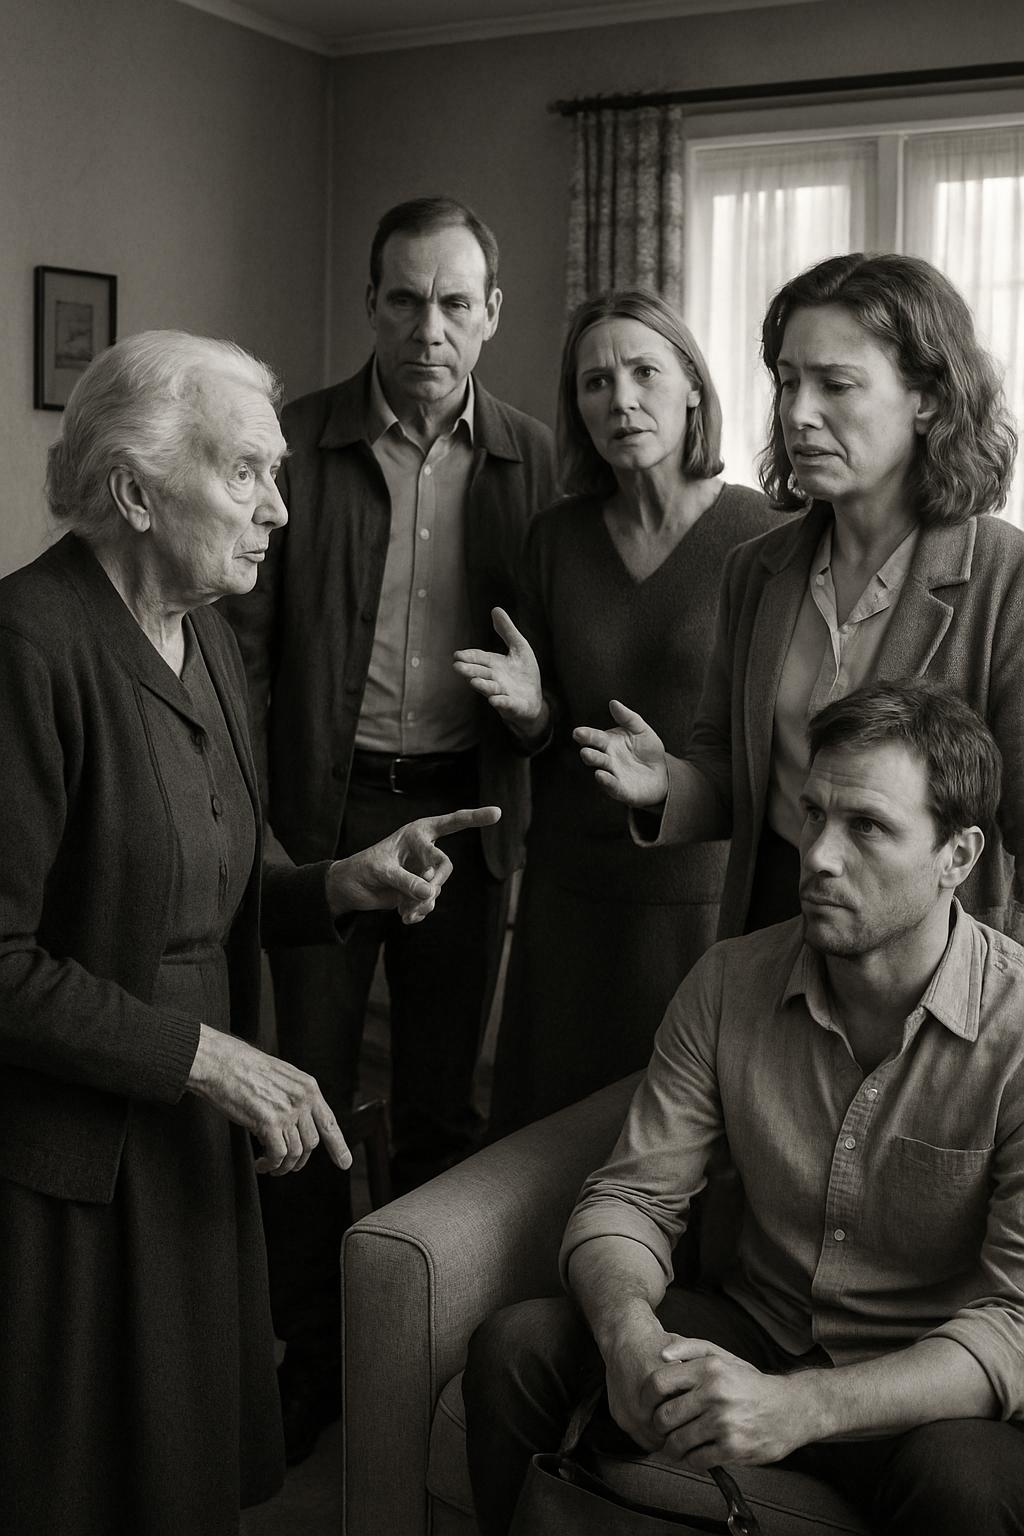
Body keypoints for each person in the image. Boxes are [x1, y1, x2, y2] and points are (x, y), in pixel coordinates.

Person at [0, 329, 500, 1536]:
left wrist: (339, 885)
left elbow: (218, 870)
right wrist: (204, 1058)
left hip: (196, 1138)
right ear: (135, 491)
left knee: (182, 1480)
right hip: (75, 1167)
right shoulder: (28, 646)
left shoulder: (207, 631)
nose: (278, 508)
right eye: (245, 474)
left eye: (276, 473)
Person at [464, 680, 1024, 1536]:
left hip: (923, 1387)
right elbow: (631, 1197)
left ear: (958, 855)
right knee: (519, 1350)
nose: (819, 856)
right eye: (814, 815)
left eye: (867, 826)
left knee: (974, 1490)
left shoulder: (1016, 1033)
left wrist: (803, 1407)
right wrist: (627, 1337)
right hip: (758, 1330)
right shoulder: (729, 981)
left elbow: (1016, 1323)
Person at [221, 195, 555, 1460]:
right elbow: (240, 657)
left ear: (491, 314)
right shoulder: (296, 444)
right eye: (405, 300)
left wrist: (535, 715)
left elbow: (561, 678)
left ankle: (413, 1368)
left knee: (440, 1112)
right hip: (323, 817)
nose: (429, 328)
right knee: (301, 1102)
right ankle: (312, 1366)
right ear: (369, 305)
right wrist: (258, 830)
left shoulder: (534, 461)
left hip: (465, 817)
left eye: (455, 303)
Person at [575, 253, 1024, 941]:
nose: (798, 413)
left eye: (835, 384)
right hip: (774, 926)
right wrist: (666, 782)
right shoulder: (757, 570)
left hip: (933, 951)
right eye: (787, 383)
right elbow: (729, 774)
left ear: (928, 398)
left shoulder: (1003, 574)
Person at [454, 290, 780, 1132]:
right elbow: (542, 730)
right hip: (569, 894)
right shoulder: (554, 538)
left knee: (682, 1143)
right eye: (596, 382)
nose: (622, 399)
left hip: (700, 899)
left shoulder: (765, 532)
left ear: (693, 386)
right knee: (542, 1143)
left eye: (644, 372)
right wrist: (532, 711)